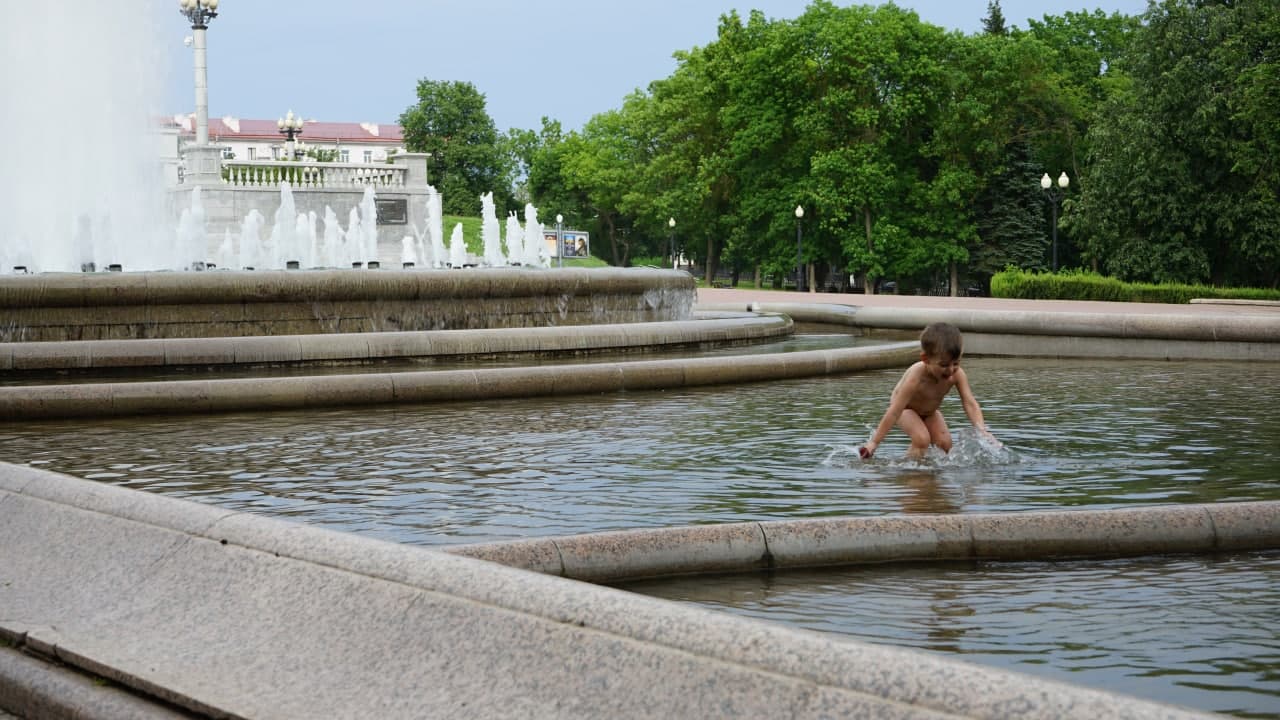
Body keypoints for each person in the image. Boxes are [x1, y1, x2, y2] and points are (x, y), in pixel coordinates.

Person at [861, 321, 998, 459]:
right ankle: (910, 474)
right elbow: (894, 411)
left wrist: (982, 430)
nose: (950, 370)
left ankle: (928, 474)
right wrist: (874, 443)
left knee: (945, 445)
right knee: (922, 439)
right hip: (905, 410)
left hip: (930, 412)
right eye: (944, 365)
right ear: (925, 359)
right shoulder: (916, 378)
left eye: (956, 363)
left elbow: (970, 403)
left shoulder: (957, 375)